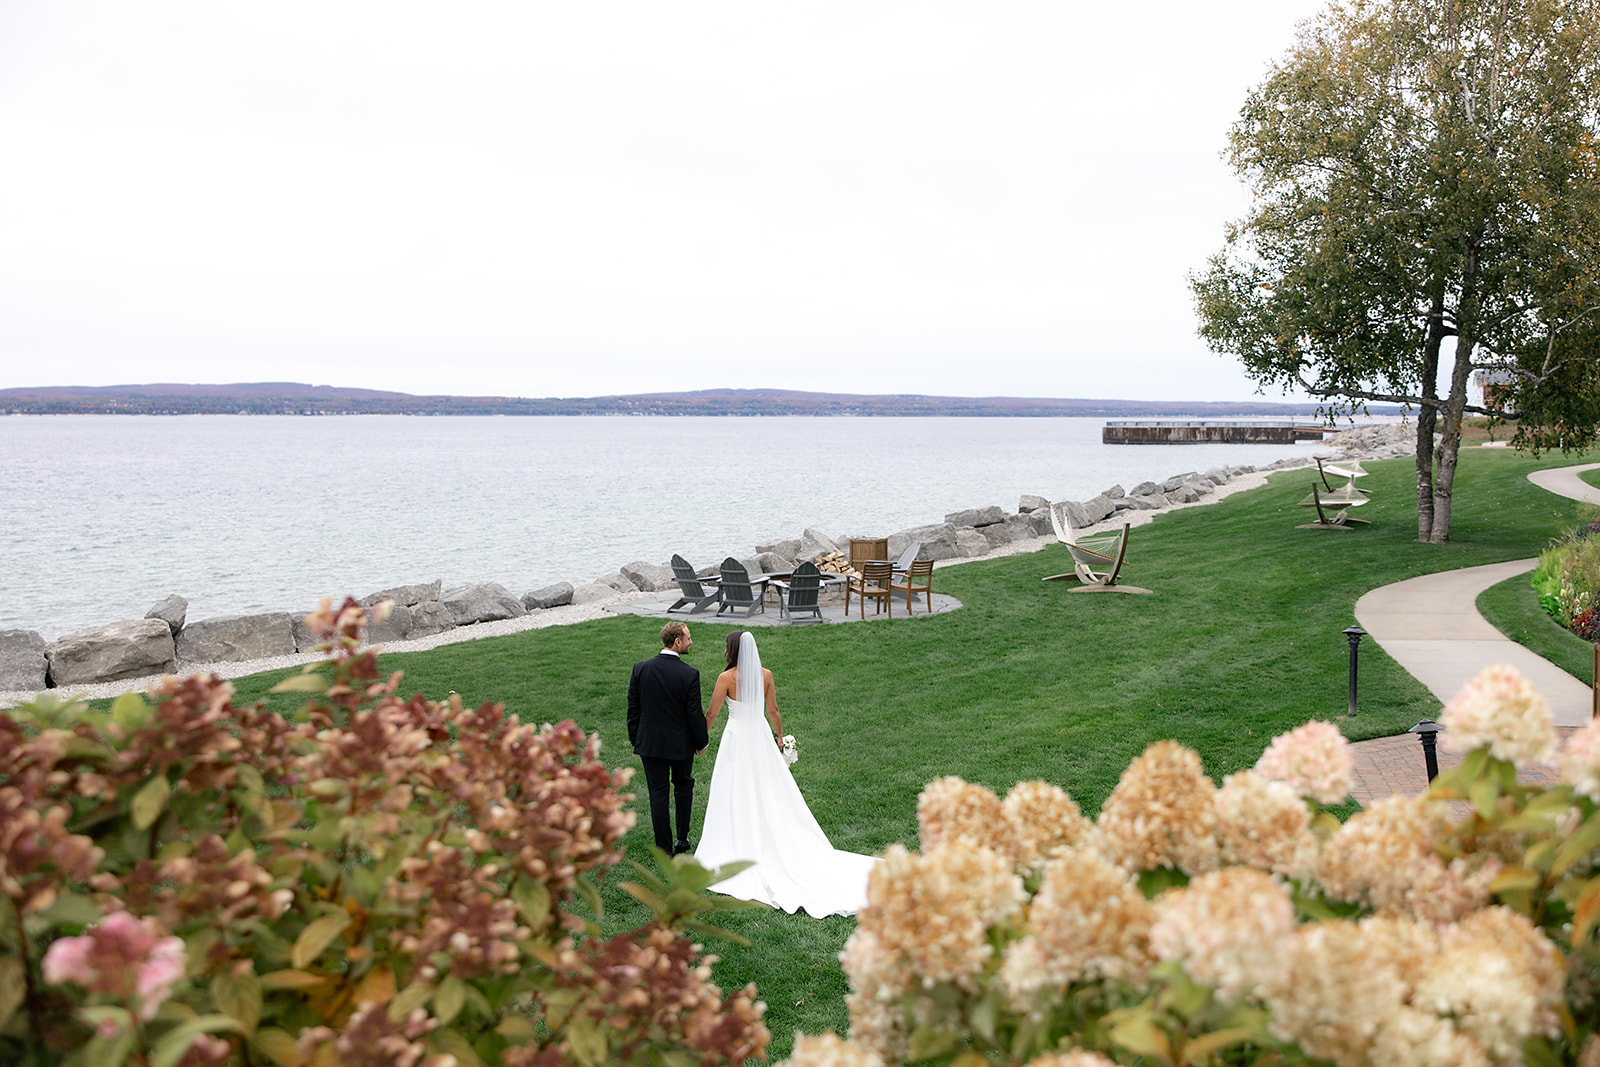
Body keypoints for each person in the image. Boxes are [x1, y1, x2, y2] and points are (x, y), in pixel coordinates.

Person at [696, 630, 878, 917]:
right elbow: (773, 710)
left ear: (731, 650)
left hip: (736, 738)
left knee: (734, 787)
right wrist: (779, 738)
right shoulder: (766, 675)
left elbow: (712, 714)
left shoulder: (726, 678)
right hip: (760, 737)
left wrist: (700, 740)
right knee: (769, 785)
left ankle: (735, 838)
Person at [628, 620, 709, 856]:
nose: (691, 642)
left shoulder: (640, 668)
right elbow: (694, 714)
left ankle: (663, 849)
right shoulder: (689, 674)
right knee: (683, 786)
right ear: (677, 642)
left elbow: (633, 709)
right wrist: (700, 742)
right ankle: (682, 840)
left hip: (649, 744)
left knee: (658, 794)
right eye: (688, 638)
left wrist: (637, 739)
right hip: (680, 745)